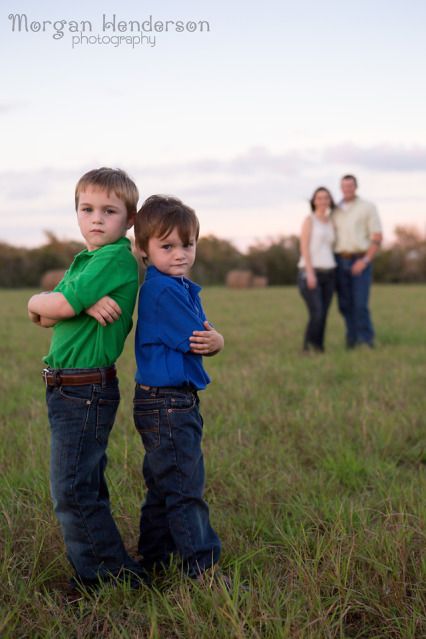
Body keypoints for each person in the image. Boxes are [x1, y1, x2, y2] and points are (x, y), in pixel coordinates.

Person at [27, 167, 148, 593]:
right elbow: (43, 316)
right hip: (67, 387)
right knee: (83, 485)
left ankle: (105, 576)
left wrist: (55, 302)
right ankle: (108, 567)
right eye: (87, 209)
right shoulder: (88, 260)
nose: (96, 218)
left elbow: (50, 307)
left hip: (83, 389)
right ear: (76, 213)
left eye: (109, 211)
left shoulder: (114, 257)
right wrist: (68, 303)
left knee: (71, 490)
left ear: (128, 219)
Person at [132, 194, 224, 581]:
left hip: (162, 401)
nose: (180, 254)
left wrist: (213, 337)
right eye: (166, 246)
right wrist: (217, 340)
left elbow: (200, 331)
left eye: (187, 245)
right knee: (186, 487)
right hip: (168, 404)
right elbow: (199, 337)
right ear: (143, 250)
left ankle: (154, 557)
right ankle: (201, 569)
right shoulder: (163, 290)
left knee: (163, 484)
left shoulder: (178, 285)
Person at [333, 175, 382, 348]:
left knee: (360, 304)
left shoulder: (368, 207)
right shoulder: (335, 210)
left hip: (360, 260)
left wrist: (365, 260)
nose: (347, 189)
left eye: (350, 185)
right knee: (345, 305)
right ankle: (351, 339)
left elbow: (377, 237)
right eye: (344, 186)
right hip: (339, 261)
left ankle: (366, 340)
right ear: (341, 188)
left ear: (356, 187)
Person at [297, 187, 336, 352]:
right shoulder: (309, 220)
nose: (322, 201)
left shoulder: (331, 221)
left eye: (326, 198)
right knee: (317, 312)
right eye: (319, 198)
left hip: (330, 272)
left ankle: (319, 347)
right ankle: (307, 348)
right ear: (314, 201)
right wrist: (310, 273)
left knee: (324, 313)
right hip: (311, 272)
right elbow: (304, 247)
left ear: (330, 201)